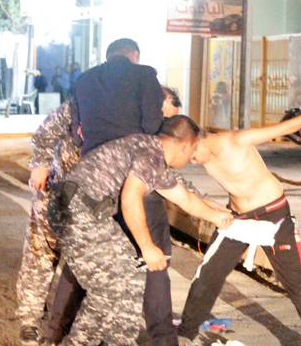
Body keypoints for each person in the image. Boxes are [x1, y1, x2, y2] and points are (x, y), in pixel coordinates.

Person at [54, 115, 233, 345]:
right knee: (115, 287)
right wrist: (148, 247)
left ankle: (111, 340)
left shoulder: (152, 153)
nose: (192, 159)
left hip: (84, 211)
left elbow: (185, 198)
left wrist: (217, 216)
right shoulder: (151, 156)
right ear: (185, 145)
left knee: (128, 278)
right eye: (193, 152)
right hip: (77, 212)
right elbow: (130, 199)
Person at [177, 108, 301, 346]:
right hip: (237, 218)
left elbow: (285, 128)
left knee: (298, 283)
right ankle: (185, 333)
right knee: (208, 273)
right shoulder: (198, 150)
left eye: (192, 156)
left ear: (196, 141)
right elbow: (176, 124)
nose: (192, 162)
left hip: (273, 216)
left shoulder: (236, 140)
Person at [15, 101, 80, 346]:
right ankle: (30, 319)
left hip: (91, 199)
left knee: (80, 263)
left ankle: (67, 319)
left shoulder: (132, 110)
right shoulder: (82, 102)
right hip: (55, 189)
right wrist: (40, 166)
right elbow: (44, 135)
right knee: (41, 255)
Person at [72, 38, 164, 155]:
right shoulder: (144, 74)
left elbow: (76, 131)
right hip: (130, 158)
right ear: (134, 55)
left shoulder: (84, 78)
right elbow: (152, 124)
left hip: (92, 159)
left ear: (108, 56)